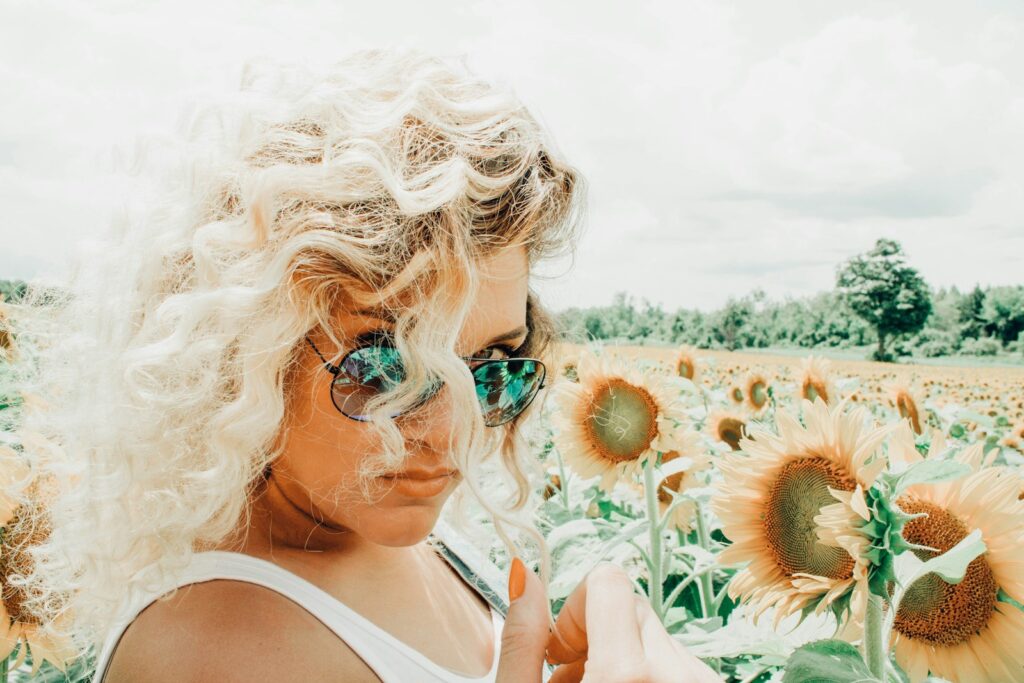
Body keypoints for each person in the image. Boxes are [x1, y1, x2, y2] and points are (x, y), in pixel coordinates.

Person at [1, 49, 721, 682]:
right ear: (247, 349)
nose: (453, 433)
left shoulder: (391, 533)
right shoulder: (219, 652)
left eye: (495, 364)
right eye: (385, 366)